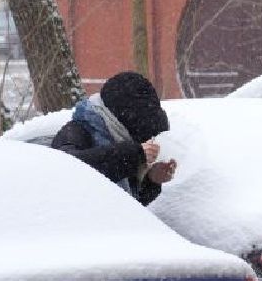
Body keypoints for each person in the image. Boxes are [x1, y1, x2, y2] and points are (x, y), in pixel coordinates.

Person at [52, 71, 176, 205]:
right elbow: (67, 170)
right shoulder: (76, 131)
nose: (141, 141)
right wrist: (134, 154)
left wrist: (151, 180)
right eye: (139, 137)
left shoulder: (118, 141)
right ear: (122, 124)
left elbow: (127, 204)